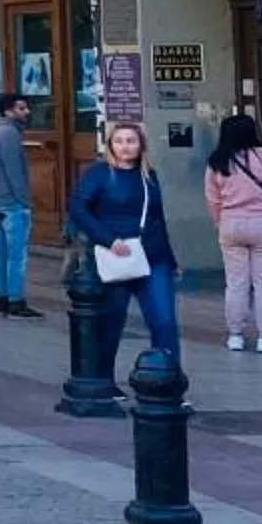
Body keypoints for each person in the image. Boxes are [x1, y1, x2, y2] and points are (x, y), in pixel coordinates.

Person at [69, 120, 183, 370]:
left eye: (131, 141)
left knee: (164, 322)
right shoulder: (99, 174)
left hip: (153, 256)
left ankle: (168, 381)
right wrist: (108, 239)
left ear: (141, 144)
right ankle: (103, 379)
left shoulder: (148, 175)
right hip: (116, 255)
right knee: (111, 322)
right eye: (119, 141)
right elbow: (79, 209)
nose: (125, 147)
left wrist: (171, 260)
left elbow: (157, 218)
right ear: (110, 145)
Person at [203, 112, 262, 354]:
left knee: (235, 284)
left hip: (231, 224)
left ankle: (235, 336)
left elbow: (212, 200)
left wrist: (219, 223)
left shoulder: (217, 161)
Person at [0, 94, 39, 319]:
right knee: (16, 256)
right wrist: (24, 201)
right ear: (8, 111)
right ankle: (16, 302)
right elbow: (15, 173)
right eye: (21, 108)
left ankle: (1, 299)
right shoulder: (9, 135)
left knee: (1, 253)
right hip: (12, 205)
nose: (26, 112)